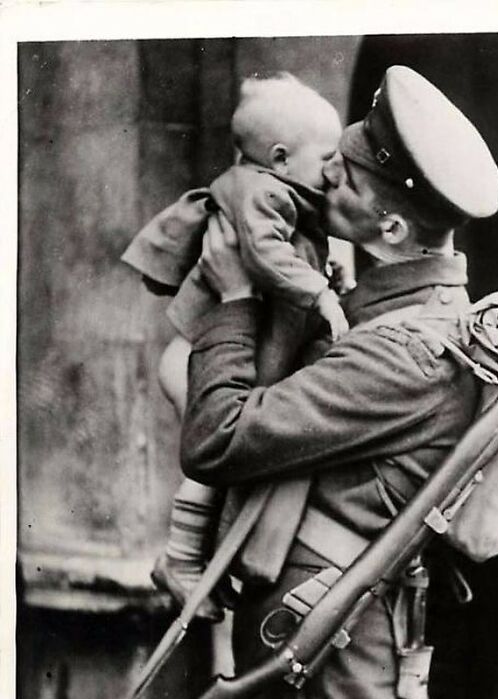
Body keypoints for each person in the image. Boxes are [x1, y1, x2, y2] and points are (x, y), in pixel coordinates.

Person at [181, 65, 498, 699]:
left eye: (348, 174)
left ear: (391, 228)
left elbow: (219, 437)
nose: (325, 172)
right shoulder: (397, 318)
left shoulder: (405, 354)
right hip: (323, 652)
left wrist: (233, 299)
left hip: (322, 674)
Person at [121, 73, 346, 617]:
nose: (336, 170)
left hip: (212, 357)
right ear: (280, 158)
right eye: (327, 158)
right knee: (220, 458)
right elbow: (268, 257)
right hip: (194, 359)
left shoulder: (284, 193)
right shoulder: (260, 194)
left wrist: (325, 267)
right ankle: (179, 561)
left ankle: (206, 563)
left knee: (233, 460)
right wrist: (319, 293)